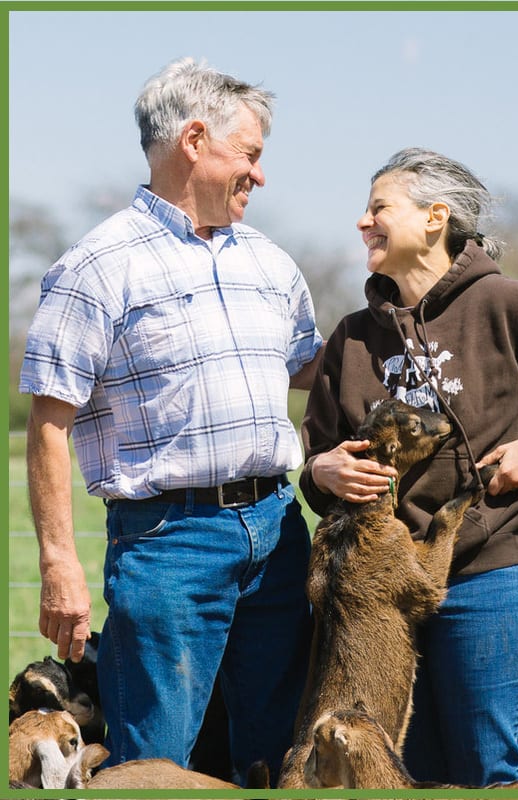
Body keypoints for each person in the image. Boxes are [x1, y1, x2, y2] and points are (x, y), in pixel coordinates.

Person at [20, 57, 323, 785]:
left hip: (279, 533)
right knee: (156, 763)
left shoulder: (271, 263)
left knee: (278, 754)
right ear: (195, 141)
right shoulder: (98, 265)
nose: (260, 174)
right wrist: (61, 564)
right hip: (167, 546)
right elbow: (48, 424)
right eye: (251, 153)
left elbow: (322, 376)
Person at [299, 147, 518, 786]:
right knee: (401, 778)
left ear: (436, 217)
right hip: (379, 606)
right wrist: (323, 473)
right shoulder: (350, 338)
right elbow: (318, 453)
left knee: (487, 774)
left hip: (491, 581)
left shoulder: (517, 307)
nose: (361, 222)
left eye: (378, 207)